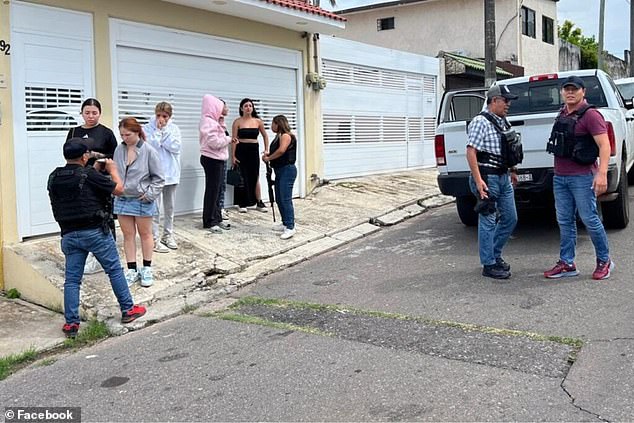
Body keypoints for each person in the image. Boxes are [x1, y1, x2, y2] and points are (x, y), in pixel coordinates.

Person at [48, 138, 146, 338]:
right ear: (85, 156)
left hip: (68, 234)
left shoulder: (55, 176)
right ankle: (128, 310)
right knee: (114, 271)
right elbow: (119, 189)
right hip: (94, 232)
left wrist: (92, 167)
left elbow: (74, 188)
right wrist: (112, 170)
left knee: (72, 280)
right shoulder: (89, 175)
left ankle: (71, 324)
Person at [544, 75, 614, 280]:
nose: (570, 92)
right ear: (561, 92)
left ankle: (604, 260)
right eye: (567, 89)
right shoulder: (562, 113)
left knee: (590, 219)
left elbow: (604, 145)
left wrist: (601, 174)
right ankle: (567, 263)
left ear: (583, 91)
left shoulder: (591, 115)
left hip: (582, 177)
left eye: (574, 89)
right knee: (564, 221)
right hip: (561, 177)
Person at [466, 84, 519, 280]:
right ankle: (488, 264)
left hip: (503, 176)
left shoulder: (503, 122)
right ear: (494, 100)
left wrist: (512, 170)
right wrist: (479, 181)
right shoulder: (481, 122)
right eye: (506, 101)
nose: (508, 105)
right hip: (487, 177)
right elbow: (471, 151)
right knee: (488, 220)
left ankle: (494, 255)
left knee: (510, 218)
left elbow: (508, 147)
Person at [66, 98, 119, 275]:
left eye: (94, 113)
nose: (90, 116)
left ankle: (109, 252)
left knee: (105, 214)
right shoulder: (74, 131)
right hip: (79, 179)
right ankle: (88, 254)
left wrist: (98, 156)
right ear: (81, 113)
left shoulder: (106, 133)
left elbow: (115, 155)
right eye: (87, 112)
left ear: (100, 114)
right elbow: (68, 152)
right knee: (85, 214)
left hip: (100, 178)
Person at [113, 118, 164, 287]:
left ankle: (147, 267)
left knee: (145, 234)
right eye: (122, 135)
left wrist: (149, 195)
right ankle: (132, 269)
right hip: (122, 197)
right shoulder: (119, 150)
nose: (124, 138)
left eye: (128, 134)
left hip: (142, 198)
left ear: (137, 132)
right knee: (128, 235)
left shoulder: (149, 150)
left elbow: (159, 178)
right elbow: (115, 172)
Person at [143, 102, 182, 253]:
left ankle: (168, 234)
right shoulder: (147, 128)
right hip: (154, 174)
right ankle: (154, 238)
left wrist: (163, 133)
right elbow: (150, 146)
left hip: (171, 173)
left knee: (169, 207)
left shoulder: (174, 129)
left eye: (164, 116)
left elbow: (175, 147)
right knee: (154, 209)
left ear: (169, 116)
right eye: (159, 115)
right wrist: (158, 133)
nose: (161, 119)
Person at [200, 94, 235, 233]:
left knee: (219, 189)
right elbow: (214, 142)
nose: (224, 109)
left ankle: (217, 218)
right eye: (221, 107)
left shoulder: (214, 121)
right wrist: (229, 139)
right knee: (212, 191)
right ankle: (209, 221)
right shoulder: (207, 122)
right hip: (211, 159)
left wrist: (221, 122)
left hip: (218, 159)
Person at [263, 115, 297, 240]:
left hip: (287, 170)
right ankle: (285, 222)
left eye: (273, 123)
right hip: (280, 171)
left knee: (285, 199)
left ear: (278, 124)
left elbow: (282, 151)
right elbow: (277, 151)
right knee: (279, 198)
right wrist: (268, 155)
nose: (271, 126)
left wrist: (268, 158)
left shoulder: (286, 136)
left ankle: (290, 226)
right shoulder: (279, 136)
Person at [231, 98, 269, 213]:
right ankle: (241, 203)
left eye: (250, 106)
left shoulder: (258, 121)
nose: (248, 108)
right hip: (241, 150)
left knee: (255, 176)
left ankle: (259, 201)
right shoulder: (237, 122)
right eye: (246, 106)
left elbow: (265, 136)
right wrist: (233, 156)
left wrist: (266, 149)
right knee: (242, 176)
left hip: (253, 150)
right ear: (241, 108)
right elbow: (234, 140)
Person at [217, 100, 231, 224]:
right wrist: (229, 139)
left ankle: (220, 207)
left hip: (223, 157)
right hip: (216, 159)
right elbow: (217, 141)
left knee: (222, 184)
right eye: (225, 106)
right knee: (218, 185)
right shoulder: (214, 122)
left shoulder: (222, 122)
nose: (227, 108)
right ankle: (218, 209)